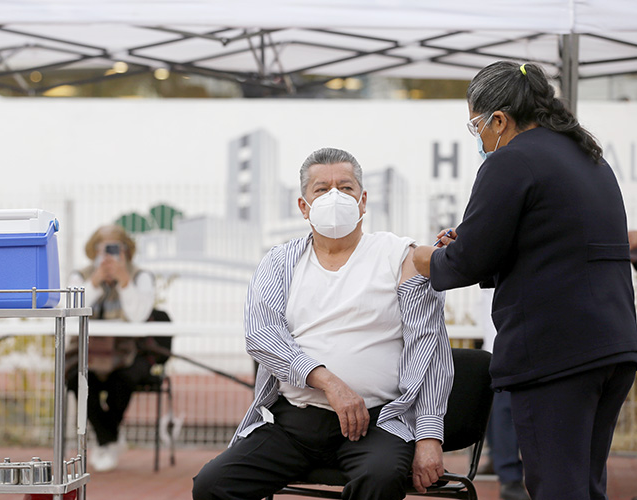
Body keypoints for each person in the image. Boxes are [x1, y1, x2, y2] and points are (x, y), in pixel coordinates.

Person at [413, 61, 637, 500]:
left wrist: (424, 258)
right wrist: (474, 244)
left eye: (476, 125)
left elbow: (468, 260)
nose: (478, 137)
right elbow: (552, 244)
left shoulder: (511, 161)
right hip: (611, 344)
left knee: (556, 487)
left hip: (556, 353)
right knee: (586, 486)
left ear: (499, 119)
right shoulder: (586, 156)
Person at [193, 147, 454, 500]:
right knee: (213, 485)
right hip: (294, 425)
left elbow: (430, 349)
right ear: (304, 206)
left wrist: (429, 437)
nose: (334, 196)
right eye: (321, 189)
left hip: (377, 424)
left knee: (380, 479)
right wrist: (328, 381)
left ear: (363, 201)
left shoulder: (396, 256)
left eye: (345, 188)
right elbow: (261, 335)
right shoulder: (280, 263)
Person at [65, 224, 157, 472]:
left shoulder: (141, 277)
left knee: (124, 380)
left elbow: (138, 316)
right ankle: (110, 439)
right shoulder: (80, 276)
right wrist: (95, 281)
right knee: (78, 378)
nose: (108, 255)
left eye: (115, 248)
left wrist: (124, 281)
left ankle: (106, 440)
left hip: (126, 353)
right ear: (93, 250)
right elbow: (71, 313)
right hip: (87, 352)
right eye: (102, 248)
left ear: (126, 250)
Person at [478, 289, 529, 500]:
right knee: (504, 409)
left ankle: (497, 462)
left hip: (499, 336)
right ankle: (509, 478)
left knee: (496, 409)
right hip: (505, 340)